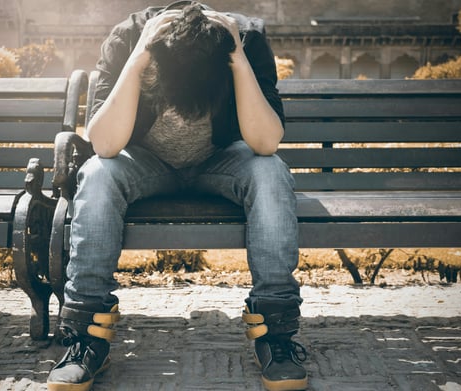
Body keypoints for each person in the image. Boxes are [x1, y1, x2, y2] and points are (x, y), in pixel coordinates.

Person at [46, 2, 307, 390]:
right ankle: (85, 336)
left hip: (221, 160)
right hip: (146, 161)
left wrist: (236, 58)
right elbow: (103, 144)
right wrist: (138, 59)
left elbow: (266, 142)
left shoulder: (245, 40)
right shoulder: (128, 38)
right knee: (98, 174)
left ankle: (277, 333)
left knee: (270, 172)